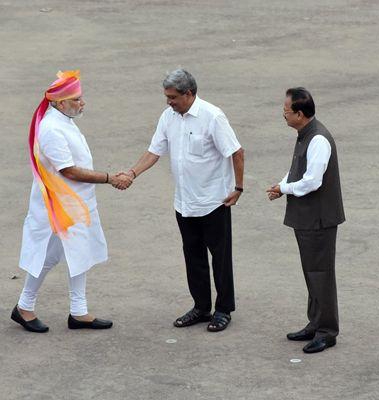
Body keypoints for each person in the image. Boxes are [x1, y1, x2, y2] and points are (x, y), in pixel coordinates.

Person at [123, 69, 244, 332]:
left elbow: (236, 151)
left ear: (189, 94)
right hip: (185, 203)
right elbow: (154, 151)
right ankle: (201, 307)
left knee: (220, 258)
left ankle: (223, 309)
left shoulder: (212, 116)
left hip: (214, 202)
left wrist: (238, 187)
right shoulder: (169, 117)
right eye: (167, 97)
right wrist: (132, 173)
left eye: (173, 97)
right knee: (193, 257)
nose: (169, 102)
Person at [11, 70, 128, 333]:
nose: (82, 103)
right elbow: (69, 170)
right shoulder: (52, 128)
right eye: (76, 99)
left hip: (75, 204)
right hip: (57, 207)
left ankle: (78, 311)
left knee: (79, 253)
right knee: (47, 257)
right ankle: (24, 307)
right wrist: (110, 178)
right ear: (60, 103)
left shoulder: (63, 119)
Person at [267, 87, 345, 354]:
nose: (284, 115)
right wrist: (281, 185)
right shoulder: (304, 135)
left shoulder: (318, 139)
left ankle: (327, 331)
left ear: (300, 114)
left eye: (286, 112)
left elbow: (313, 180)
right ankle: (315, 323)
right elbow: (297, 170)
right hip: (307, 218)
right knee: (311, 273)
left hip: (319, 219)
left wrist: (285, 189)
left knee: (321, 274)